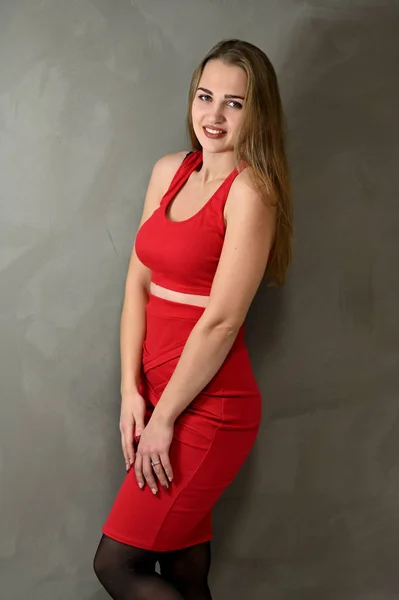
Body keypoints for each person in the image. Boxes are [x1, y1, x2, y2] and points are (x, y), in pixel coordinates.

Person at [93, 38, 293, 600]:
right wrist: (131, 392)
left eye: (235, 102)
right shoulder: (169, 172)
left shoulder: (251, 191)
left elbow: (222, 322)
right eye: (206, 96)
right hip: (157, 396)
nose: (215, 114)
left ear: (258, 112)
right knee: (183, 571)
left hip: (209, 407)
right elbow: (138, 283)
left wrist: (164, 420)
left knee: (117, 566)